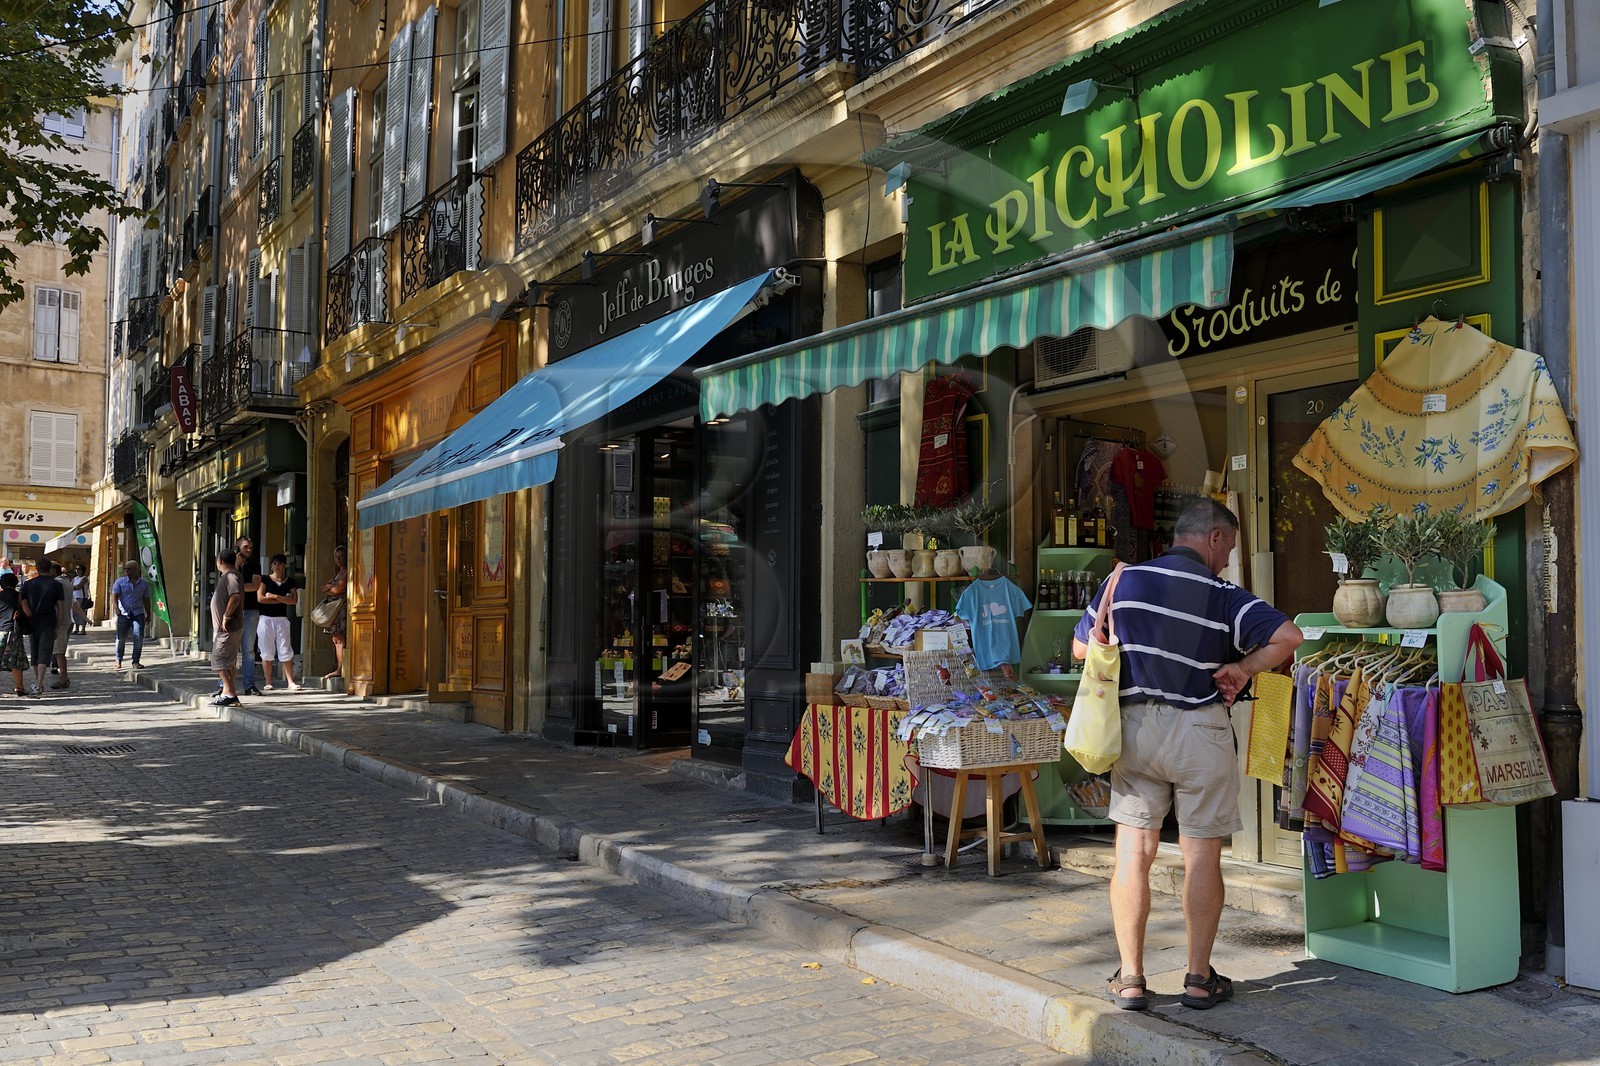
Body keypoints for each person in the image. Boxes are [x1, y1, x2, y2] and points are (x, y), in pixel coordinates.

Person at [1072, 498, 1302, 1013]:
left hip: (1133, 732)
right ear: (1214, 538)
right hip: (1200, 731)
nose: (1226, 561)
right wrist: (1242, 669)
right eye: (1229, 549)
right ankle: (1198, 980)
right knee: (1201, 853)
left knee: (1133, 853)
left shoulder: (1123, 582)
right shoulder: (1224, 595)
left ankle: (1131, 978)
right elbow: (1289, 637)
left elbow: (1083, 650)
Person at [256, 553, 301, 691]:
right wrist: (283, 598)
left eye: (280, 563)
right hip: (266, 619)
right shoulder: (265, 579)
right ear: (271, 565)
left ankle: (290, 681)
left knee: (285, 649)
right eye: (275, 563)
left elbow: (293, 600)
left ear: (284, 565)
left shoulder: (290, 581)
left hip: (281, 619)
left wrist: (275, 596)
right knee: (266, 650)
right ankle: (268, 681)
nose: (277, 566)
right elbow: (261, 598)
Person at [19, 563, 63, 696]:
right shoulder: (56, 585)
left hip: (33, 622)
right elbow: (60, 608)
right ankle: (39, 683)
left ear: (37, 569)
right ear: (50, 569)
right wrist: (58, 627)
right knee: (45, 652)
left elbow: (22, 600)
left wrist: (28, 614)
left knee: (35, 652)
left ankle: (39, 684)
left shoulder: (28, 584)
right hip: (48, 621)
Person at [211, 549, 245, 706]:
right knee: (229, 662)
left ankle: (230, 693)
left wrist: (226, 616)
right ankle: (226, 692)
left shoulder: (230, 576)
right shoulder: (229, 576)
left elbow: (236, 596)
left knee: (219, 660)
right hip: (227, 628)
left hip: (228, 628)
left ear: (220, 561)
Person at [111, 560, 154, 669]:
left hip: (138, 613)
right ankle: (118, 659)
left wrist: (148, 614)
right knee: (121, 638)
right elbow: (114, 596)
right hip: (123, 614)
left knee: (138, 637)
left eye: (129, 568)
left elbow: (146, 599)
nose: (126, 570)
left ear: (136, 569)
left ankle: (136, 661)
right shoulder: (120, 582)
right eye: (125, 568)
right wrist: (116, 608)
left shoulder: (143, 584)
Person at [235, 536, 263, 696]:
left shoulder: (254, 565)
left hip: (251, 610)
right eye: (246, 547)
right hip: (234, 610)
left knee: (248, 650)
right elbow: (225, 582)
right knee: (230, 649)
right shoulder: (231, 562)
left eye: (251, 547)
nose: (249, 550)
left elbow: (255, 586)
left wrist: (237, 586)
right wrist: (237, 566)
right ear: (238, 547)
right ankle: (223, 685)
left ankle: (249, 685)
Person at [0, 573, 30, 696]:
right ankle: (19, 687)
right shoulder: (19, 596)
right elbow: (28, 612)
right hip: (13, 631)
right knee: (16, 661)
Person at [321, 545, 347, 681]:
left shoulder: (346, 572)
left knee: (339, 639)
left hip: (340, 608)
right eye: (336, 557)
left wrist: (331, 587)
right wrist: (331, 587)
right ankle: (339, 667)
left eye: (341, 556)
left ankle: (340, 668)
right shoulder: (338, 573)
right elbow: (323, 587)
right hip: (334, 609)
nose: (338, 559)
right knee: (336, 639)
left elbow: (337, 589)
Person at [49, 562, 73, 688]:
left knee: (59, 651)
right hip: (66, 619)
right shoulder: (67, 581)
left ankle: (63, 678)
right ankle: (64, 677)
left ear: (54, 570)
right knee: (60, 651)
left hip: (60, 620)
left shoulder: (57, 583)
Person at [71, 564, 90, 634]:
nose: (77, 570)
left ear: (83, 570)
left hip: (81, 597)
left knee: (81, 613)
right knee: (75, 614)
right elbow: (71, 586)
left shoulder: (84, 578)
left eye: (79, 569)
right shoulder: (75, 578)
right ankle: (76, 628)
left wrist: (73, 587)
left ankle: (83, 629)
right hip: (75, 597)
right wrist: (73, 587)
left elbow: (79, 586)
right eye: (76, 569)